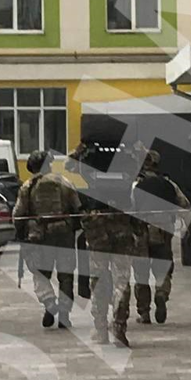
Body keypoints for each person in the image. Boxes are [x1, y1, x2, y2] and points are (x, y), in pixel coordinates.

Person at [78, 144, 141, 347]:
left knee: (98, 282)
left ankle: (101, 330)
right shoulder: (127, 183)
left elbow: (74, 165)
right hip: (122, 233)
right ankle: (120, 326)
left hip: (97, 236)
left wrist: (82, 151)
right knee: (122, 281)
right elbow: (135, 212)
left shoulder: (91, 182)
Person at [11, 151, 81, 329]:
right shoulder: (64, 182)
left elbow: (18, 214)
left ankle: (49, 302)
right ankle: (64, 314)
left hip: (39, 236)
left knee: (40, 273)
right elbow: (77, 207)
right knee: (66, 275)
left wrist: (20, 234)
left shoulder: (28, 186)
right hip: (64, 234)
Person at [130, 149, 191, 324]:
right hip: (163, 231)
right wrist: (190, 229)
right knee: (163, 269)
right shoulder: (169, 184)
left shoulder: (135, 186)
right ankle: (161, 294)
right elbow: (185, 206)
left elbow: (129, 209)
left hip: (141, 232)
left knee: (141, 274)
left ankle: (144, 313)